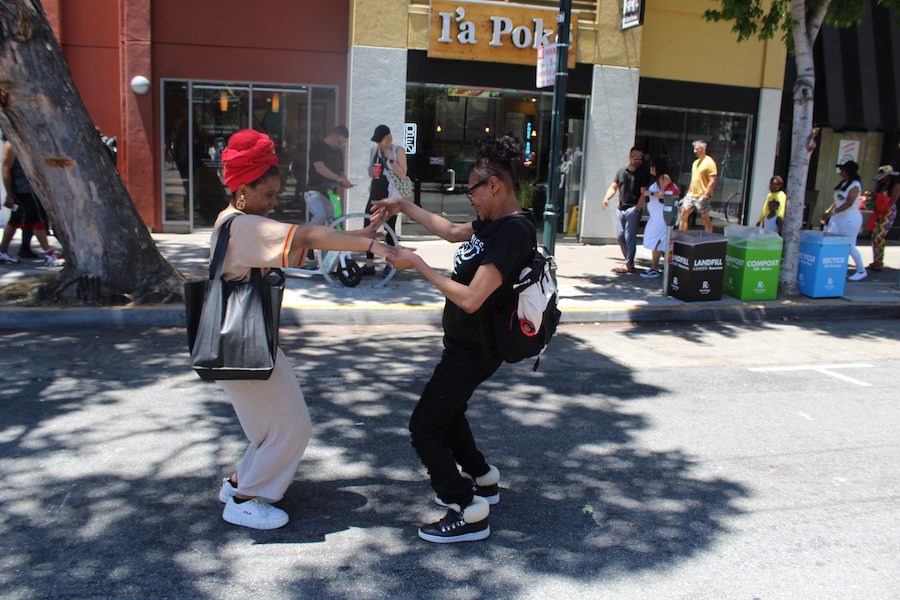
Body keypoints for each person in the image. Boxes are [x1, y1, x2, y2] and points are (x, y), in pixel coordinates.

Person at [212, 129, 397, 530]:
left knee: (269, 428)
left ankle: (240, 484)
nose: (273, 203)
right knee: (293, 427)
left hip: (236, 343)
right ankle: (246, 500)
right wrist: (373, 247)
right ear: (243, 188)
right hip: (245, 343)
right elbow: (309, 234)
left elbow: (303, 242)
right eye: (268, 194)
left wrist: (362, 235)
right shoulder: (244, 227)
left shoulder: (235, 221)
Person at [374, 134, 534, 544]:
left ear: (494, 184)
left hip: (476, 349)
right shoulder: (494, 223)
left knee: (424, 426)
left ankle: (467, 509)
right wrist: (403, 205)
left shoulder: (512, 232)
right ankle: (483, 478)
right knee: (451, 412)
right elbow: (449, 231)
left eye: (472, 189)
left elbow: (471, 297)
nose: (470, 198)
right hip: (466, 345)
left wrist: (419, 265)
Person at [0, 141, 63, 266]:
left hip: (31, 189)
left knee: (15, 220)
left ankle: (2, 251)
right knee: (37, 220)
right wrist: (9, 194)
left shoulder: (24, 141)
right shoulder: (11, 144)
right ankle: (48, 254)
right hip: (21, 191)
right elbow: (6, 169)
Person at [362, 124, 406, 276]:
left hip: (390, 195)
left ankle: (391, 263)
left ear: (388, 138)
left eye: (381, 140)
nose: (379, 143)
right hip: (375, 192)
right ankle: (369, 264)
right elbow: (371, 173)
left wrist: (390, 158)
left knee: (389, 229)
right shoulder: (374, 150)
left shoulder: (397, 150)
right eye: (377, 141)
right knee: (368, 226)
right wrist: (372, 170)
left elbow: (402, 173)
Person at [601, 147, 650, 274]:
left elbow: (643, 194)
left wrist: (637, 209)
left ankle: (628, 264)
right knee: (620, 236)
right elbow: (613, 186)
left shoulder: (644, 173)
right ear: (629, 157)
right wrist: (606, 198)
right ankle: (629, 262)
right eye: (635, 157)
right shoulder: (621, 172)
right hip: (620, 209)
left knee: (630, 237)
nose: (638, 160)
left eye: (640, 158)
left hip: (633, 209)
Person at [821, 160, 867, 281]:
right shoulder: (843, 183)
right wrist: (829, 211)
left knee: (849, 245)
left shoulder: (855, 185)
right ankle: (838, 268)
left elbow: (849, 202)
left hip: (850, 220)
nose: (840, 172)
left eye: (843, 169)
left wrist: (832, 213)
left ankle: (861, 270)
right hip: (837, 219)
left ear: (848, 171)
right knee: (831, 241)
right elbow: (838, 200)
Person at [305, 125, 352, 227]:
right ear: (334, 136)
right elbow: (319, 167)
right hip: (315, 191)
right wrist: (338, 178)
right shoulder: (317, 147)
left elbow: (341, 171)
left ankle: (327, 241)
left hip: (331, 193)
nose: (340, 145)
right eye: (340, 142)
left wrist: (345, 180)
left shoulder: (338, 152)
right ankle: (305, 236)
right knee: (320, 215)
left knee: (336, 220)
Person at [640, 158, 677, 279]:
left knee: (658, 241)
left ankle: (655, 267)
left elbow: (667, 193)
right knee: (657, 241)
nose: (650, 168)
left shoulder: (664, 177)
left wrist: (650, 194)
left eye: (652, 166)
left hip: (661, 216)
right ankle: (661, 267)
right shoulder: (657, 179)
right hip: (655, 216)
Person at [863, 165, 899, 271]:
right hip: (879, 212)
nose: (881, 178)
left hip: (888, 212)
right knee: (874, 236)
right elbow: (877, 199)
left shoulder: (896, 186)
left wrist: (876, 196)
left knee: (879, 236)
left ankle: (879, 262)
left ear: (888, 176)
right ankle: (876, 261)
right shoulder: (880, 186)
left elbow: (891, 201)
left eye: (883, 176)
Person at [679, 140, 717, 233]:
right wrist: (688, 192)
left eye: (697, 149)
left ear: (703, 149)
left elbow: (713, 180)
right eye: (694, 149)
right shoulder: (695, 163)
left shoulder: (709, 162)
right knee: (684, 213)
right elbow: (694, 179)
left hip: (702, 194)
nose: (694, 151)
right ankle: (681, 236)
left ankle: (708, 237)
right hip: (692, 194)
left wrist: (706, 195)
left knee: (704, 216)